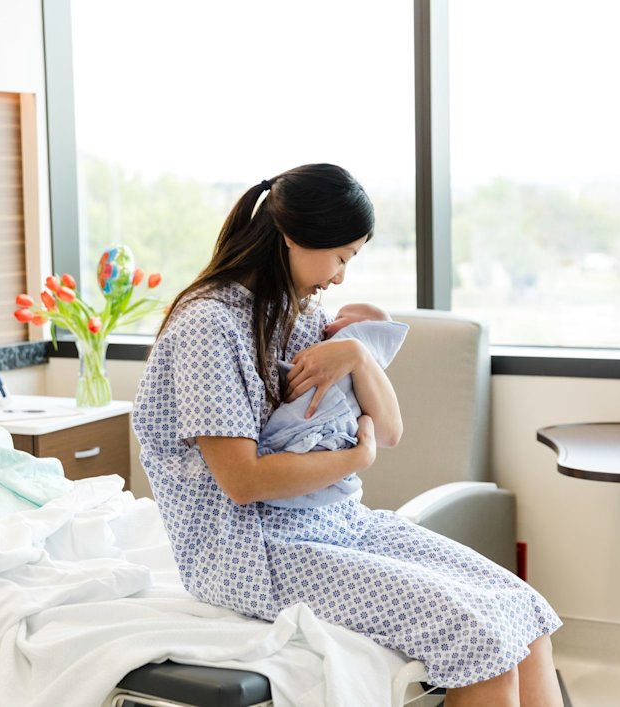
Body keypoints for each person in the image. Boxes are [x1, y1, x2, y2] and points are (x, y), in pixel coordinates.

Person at [132, 163, 563, 706]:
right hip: (251, 552)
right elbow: (242, 481)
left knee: (526, 614)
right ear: (292, 237)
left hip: (340, 523)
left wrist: (359, 355)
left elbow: (390, 430)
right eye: (340, 256)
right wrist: (354, 461)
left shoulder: (304, 313)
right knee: (480, 642)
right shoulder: (207, 325)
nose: (340, 277)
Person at [259, 303, 408, 509]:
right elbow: (245, 481)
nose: (328, 325)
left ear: (364, 326)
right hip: (279, 488)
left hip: (337, 505)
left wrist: (357, 353)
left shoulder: (325, 327)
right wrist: (360, 457)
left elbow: (389, 435)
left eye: (339, 318)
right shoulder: (222, 323)